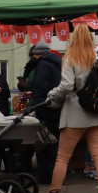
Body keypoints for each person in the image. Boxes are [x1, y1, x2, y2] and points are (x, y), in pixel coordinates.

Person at [39, 25, 98, 193]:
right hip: (97, 114)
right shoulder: (96, 59)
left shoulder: (70, 58)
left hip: (75, 114)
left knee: (63, 158)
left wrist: (53, 98)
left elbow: (66, 86)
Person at [28, 43, 63, 183]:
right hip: (56, 107)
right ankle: (58, 174)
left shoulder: (43, 65)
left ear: (38, 54)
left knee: (44, 144)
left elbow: (40, 87)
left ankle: (47, 176)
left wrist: (36, 107)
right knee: (53, 141)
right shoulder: (58, 63)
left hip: (44, 108)